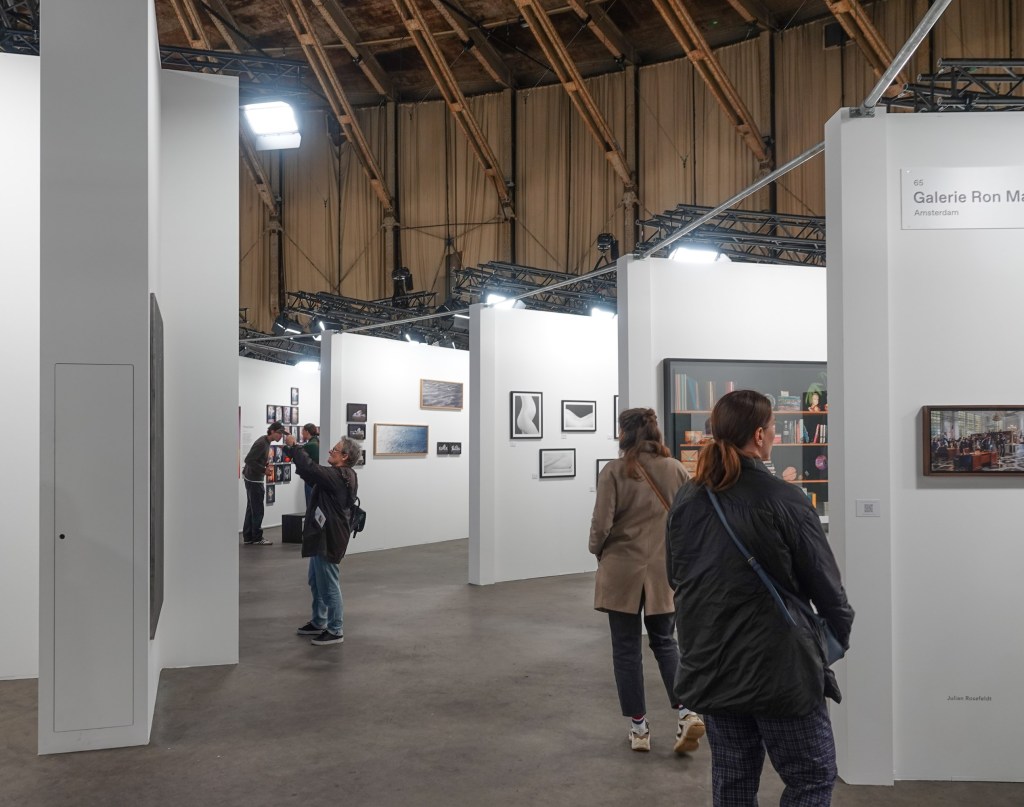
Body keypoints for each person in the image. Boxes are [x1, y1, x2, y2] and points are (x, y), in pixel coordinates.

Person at [666, 390, 854, 807]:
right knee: (812, 777)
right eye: (771, 428)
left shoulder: (689, 498)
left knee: (733, 780)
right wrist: (834, 638)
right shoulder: (784, 498)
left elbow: (675, 575)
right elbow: (826, 587)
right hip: (780, 669)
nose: (773, 434)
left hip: (712, 662)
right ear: (758, 435)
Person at [588, 407, 703, 754]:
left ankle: (639, 728)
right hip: (663, 570)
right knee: (665, 642)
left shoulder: (614, 471)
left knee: (625, 649)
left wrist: (596, 549)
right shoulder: (676, 468)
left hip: (622, 570)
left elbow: (601, 525)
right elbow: (689, 521)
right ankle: (686, 712)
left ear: (625, 433)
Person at [284, 433, 361, 646]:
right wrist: (291, 451)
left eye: (335, 449)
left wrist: (295, 447)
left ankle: (335, 630)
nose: (330, 451)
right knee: (316, 581)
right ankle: (319, 621)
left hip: (330, 536)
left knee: (328, 584)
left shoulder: (340, 475)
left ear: (345, 456)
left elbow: (310, 469)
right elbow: (310, 474)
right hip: (322, 535)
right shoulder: (339, 475)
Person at [242, 421, 285, 545]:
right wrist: (263, 469)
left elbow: (255, 459)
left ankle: (248, 537)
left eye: (282, 434)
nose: (281, 436)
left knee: (251, 509)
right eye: (279, 433)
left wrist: (264, 464)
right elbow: (248, 460)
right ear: (272, 431)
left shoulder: (266, 442)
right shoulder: (262, 443)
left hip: (252, 478)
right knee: (257, 510)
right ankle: (257, 538)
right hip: (254, 480)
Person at [300, 423, 320, 506]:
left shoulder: (309, 445)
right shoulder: (318, 442)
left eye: (303, 431)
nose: (301, 433)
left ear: (307, 431)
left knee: (310, 505)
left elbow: (297, 455)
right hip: (320, 477)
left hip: (311, 478)